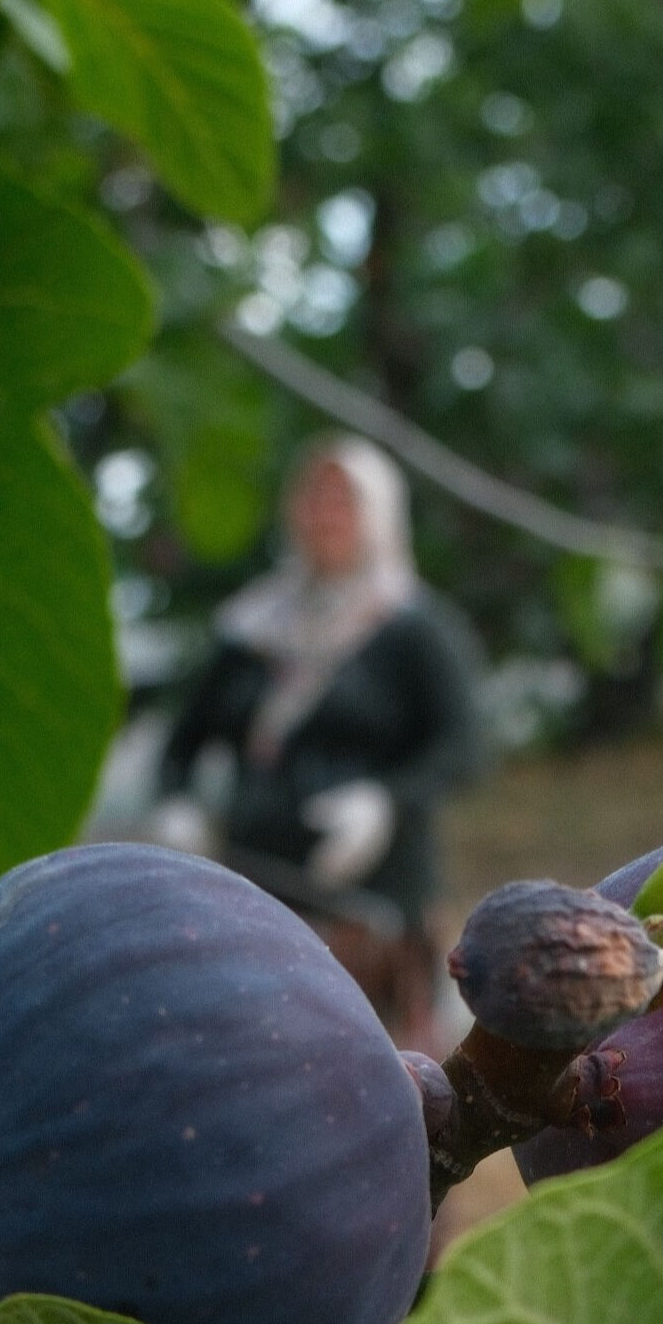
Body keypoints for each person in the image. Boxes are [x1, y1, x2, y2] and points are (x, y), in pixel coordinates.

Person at [151, 433, 488, 1046]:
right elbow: (184, 740)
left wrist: (384, 801)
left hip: (376, 901)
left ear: (378, 513)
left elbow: (462, 748)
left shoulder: (415, 629)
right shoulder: (250, 627)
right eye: (315, 498)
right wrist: (178, 804)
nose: (326, 516)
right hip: (259, 885)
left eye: (345, 501)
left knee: (373, 1068)